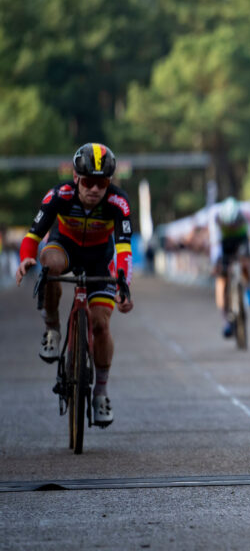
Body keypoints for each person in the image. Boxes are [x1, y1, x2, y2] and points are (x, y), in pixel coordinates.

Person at [15, 144, 134, 427]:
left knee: (101, 325)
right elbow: (33, 236)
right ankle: (52, 328)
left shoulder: (119, 203)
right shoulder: (60, 195)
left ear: (110, 183)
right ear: (76, 178)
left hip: (99, 259)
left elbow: (124, 249)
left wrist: (123, 285)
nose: (94, 189)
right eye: (88, 182)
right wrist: (25, 259)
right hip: (64, 246)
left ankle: (101, 393)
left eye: (102, 183)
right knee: (50, 265)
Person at [208, 196, 250, 338]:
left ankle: (248, 288)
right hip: (224, 242)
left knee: (245, 262)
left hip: (241, 239)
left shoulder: (247, 213)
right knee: (221, 280)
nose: (231, 226)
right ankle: (226, 321)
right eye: (228, 224)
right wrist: (216, 263)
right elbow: (215, 244)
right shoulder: (215, 216)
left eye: (233, 223)